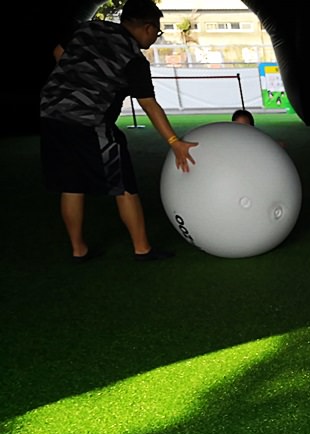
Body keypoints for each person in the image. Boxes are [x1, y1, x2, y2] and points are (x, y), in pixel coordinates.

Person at [39, 0, 197, 263]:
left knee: (71, 184)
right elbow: (148, 104)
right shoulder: (133, 59)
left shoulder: (89, 28)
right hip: (88, 119)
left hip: (52, 112)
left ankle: (79, 250)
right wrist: (174, 141)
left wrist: (76, 82)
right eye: (156, 33)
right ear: (147, 28)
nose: (154, 38)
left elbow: (58, 52)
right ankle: (142, 248)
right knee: (124, 183)